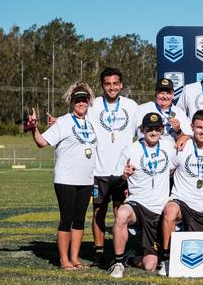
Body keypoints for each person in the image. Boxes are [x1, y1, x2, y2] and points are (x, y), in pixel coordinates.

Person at [28, 81, 97, 270]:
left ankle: (75, 257)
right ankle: (63, 259)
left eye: (84, 100)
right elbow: (42, 142)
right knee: (66, 219)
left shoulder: (92, 122)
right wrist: (34, 127)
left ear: (88, 102)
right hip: (66, 179)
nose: (81, 103)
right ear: (71, 102)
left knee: (80, 219)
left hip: (86, 179)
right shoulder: (64, 122)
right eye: (77, 100)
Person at [108, 112, 177, 278]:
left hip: (159, 210)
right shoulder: (130, 150)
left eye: (156, 129)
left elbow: (179, 166)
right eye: (149, 129)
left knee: (150, 266)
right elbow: (113, 182)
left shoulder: (169, 145)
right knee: (122, 214)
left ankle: (129, 258)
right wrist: (123, 177)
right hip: (138, 204)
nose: (153, 133)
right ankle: (118, 263)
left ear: (162, 129)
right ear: (142, 130)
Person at [159, 110, 203, 276]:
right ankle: (165, 258)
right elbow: (164, 172)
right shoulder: (181, 147)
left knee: (196, 259)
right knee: (170, 210)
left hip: (201, 207)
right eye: (199, 127)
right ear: (191, 127)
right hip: (180, 200)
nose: (202, 131)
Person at [88, 67, 139, 266]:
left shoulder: (131, 106)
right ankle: (99, 253)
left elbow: (142, 132)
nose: (112, 87)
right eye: (107, 84)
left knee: (120, 214)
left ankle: (120, 253)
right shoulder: (94, 105)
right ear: (102, 85)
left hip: (122, 172)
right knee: (98, 212)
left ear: (121, 85)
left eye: (115, 83)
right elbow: (79, 121)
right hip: (98, 170)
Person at [135, 78, 192, 145]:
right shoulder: (143, 109)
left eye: (168, 93)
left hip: (172, 152)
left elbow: (188, 136)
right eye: (162, 93)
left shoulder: (178, 112)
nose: (165, 96)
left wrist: (178, 130)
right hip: (148, 150)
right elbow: (133, 132)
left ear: (173, 95)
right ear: (156, 93)